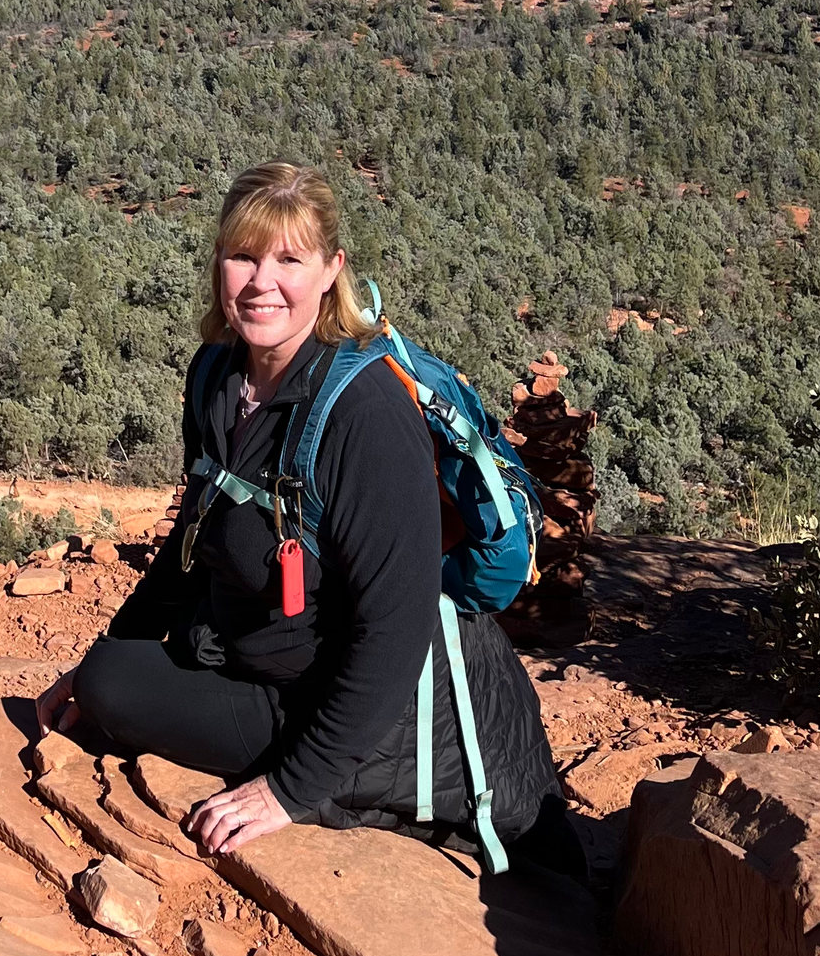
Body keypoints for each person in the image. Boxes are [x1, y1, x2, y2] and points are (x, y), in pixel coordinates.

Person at [35, 161, 576, 873]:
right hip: (247, 656)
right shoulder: (217, 374)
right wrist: (116, 642)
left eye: (290, 258)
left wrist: (290, 790)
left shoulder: (365, 414)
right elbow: (191, 540)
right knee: (105, 674)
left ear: (331, 271)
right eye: (244, 255)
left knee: (114, 684)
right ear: (218, 263)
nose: (263, 282)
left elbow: (396, 626)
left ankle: (350, 783)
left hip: (356, 702)